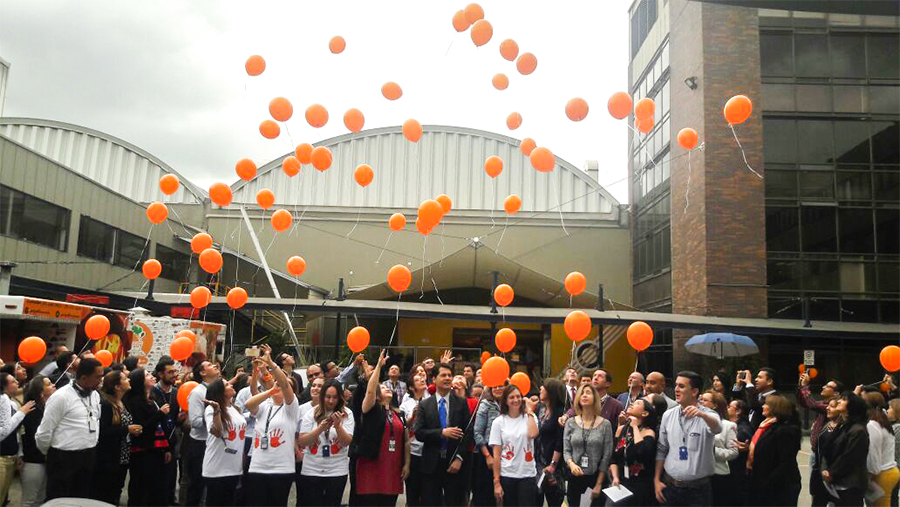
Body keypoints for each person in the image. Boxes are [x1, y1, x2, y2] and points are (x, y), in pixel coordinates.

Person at [36, 356, 102, 500]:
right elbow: (44, 431)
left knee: (80, 498)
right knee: (59, 499)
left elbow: (96, 420)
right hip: (64, 458)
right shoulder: (61, 396)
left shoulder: (95, 395)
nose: (101, 380)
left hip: (88, 455)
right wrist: (51, 453)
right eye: (97, 377)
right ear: (84, 377)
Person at [654, 371, 722, 506]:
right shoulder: (668, 415)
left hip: (697, 490)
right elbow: (662, 449)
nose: (676, 390)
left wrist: (702, 415)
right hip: (669, 486)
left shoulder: (708, 415)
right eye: (676, 385)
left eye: (681, 386)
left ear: (694, 391)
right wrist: (656, 480)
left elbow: (717, 427)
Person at [246, 346, 302, 506]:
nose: (279, 387)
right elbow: (249, 404)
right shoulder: (265, 405)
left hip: (281, 469)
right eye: (275, 384)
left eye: (283, 386)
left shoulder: (291, 408)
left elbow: (284, 385)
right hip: (258, 466)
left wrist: (271, 364)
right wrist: (269, 388)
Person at [356, 350, 411, 506]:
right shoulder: (371, 409)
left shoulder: (399, 414)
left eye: (388, 388)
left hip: (393, 466)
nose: (387, 388)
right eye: (383, 388)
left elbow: (406, 441)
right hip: (373, 464)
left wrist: (407, 464)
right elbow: (370, 390)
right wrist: (379, 366)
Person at [414, 362, 472, 506]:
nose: (447, 378)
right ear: (434, 379)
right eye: (443, 375)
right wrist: (442, 433)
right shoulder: (424, 404)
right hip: (431, 465)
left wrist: (459, 458)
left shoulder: (461, 403)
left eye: (449, 375)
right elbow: (419, 433)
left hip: (454, 463)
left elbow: (468, 433)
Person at [297, 379, 354, 506]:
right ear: (322, 396)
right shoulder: (311, 413)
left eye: (334, 397)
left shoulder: (347, 413)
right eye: (328, 397)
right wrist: (319, 429)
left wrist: (338, 426)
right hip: (312, 470)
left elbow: (346, 442)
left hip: (337, 470)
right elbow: (302, 441)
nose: (331, 401)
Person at [91, 371, 140, 505]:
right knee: (106, 491)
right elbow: (103, 430)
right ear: (117, 386)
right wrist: (127, 429)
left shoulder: (123, 401)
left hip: (123, 455)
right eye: (125, 378)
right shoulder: (106, 404)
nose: (128, 379)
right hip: (109, 456)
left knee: (117, 488)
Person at [124, 367, 171, 506]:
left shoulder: (152, 398)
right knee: (140, 488)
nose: (152, 376)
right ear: (140, 381)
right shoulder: (135, 401)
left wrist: (166, 448)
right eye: (147, 375)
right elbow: (141, 427)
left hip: (156, 448)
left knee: (154, 487)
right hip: (142, 450)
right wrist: (160, 414)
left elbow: (159, 428)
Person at [564, 384, 614, 507]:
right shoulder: (570, 422)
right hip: (575, 478)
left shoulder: (605, 424)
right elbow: (566, 450)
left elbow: (606, 455)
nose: (584, 395)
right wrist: (571, 464)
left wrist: (598, 484)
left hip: (596, 478)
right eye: (582, 393)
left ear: (595, 398)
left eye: (588, 392)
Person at [489, 383, 539, 506]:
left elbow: (533, 434)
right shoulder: (498, 422)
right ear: (505, 400)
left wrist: (529, 411)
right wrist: (497, 482)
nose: (516, 400)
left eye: (518, 396)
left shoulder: (530, 417)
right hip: (507, 475)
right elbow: (496, 455)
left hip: (527, 474)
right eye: (511, 397)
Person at [202, 378, 247, 507]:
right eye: (227, 384)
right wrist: (217, 410)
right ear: (220, 392)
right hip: (217, 467)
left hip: (234, 466)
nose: (231, 384)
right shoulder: (211, 409)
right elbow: (216, 431)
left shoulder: (234, 408)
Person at [822, 392, 870, 506]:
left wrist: (831, 472)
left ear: (852, 406)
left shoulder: (858, 430)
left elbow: (850, 456)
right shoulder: (844, 426)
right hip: (839, 481)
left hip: (850, 484)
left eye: (843, 400)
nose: (838, 401)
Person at [609, 397, 658, 506]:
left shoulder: (648, 432)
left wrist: (635, 426)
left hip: (640, 484)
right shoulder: (621, 429)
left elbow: (641, 454)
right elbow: (614, 458)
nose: (632, 404)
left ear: (645, 413)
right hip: (621, 481)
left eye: (637, 403)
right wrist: (615, 477)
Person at [184, 358, 220, 506]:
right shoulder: (198, 393)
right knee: (197, 485)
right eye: (210, 365)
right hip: (200, 444)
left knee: (213, 485)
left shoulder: (219, 390)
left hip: (215, 444)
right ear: (203, 373)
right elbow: (195, 422)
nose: (215, 366)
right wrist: (214, 415)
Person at [152, 356, 184, 506]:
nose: (174, 375)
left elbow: (176, 419)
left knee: (169, 481)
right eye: (170, 372)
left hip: (172, 441)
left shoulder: (178, 392)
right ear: (160, 374)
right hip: (154, 442)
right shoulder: (152, 392)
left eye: (175, 371)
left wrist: (181, 418)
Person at [20, 375, 54, 507]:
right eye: (49, 384)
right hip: (33, 460)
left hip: (46, 459)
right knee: (29, 500)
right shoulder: (32, 409)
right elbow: (33, 436)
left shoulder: (48, 407)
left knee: (41, 498)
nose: (53, 385)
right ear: (40, 391)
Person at [0, 371, 34, 503]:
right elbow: (3, 431)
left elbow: (17, 432)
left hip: (11, 457)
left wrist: (19, 453)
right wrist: (21, 413)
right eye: (13, 382)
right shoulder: (2, 399)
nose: (17, 383)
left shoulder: (11, 403)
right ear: (4, 386)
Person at [699, 391, 737, 506]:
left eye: (705, 400)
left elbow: (733, 452)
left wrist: (711, 450)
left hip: (718, 474)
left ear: (714, 405)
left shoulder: (728, 426)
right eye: (700, 400)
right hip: (698, 475)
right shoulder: (695, 422)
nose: (701, 402)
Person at [863, 391, 899, 507]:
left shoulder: (873, 424)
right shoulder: (883, 421)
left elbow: (873, 456)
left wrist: (868, 478)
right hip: (889, 470)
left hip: (882, 474)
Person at [473, 382, 504, 507]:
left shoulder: (510, 404)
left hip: (506, 453)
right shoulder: (485, 404)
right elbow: (477, 432)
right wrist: (487, 456)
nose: (497, 388)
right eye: (494, 386)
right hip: (488, 452)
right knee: (486, 495)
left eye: (500, 385)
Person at [400, 371, 428, 506]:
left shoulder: (431, 400)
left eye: (423, 378)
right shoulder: (406, 404)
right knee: (413, 492)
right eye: (418, 380)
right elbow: (402, 427)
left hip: (428, 452)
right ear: (411, 387)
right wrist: (413, 416)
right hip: (413, 452)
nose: (422, 380)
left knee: (428, 493)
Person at [536, 379, 566, 507]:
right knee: (536, 499)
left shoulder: (560, 413)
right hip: (538, 462)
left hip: (553, 464)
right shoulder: (540, 408)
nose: (541, 388)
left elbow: (560, 441)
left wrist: (553, 464)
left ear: (552, 392)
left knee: (554, 500)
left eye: (544, 387)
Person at [810, 398, 842, 506]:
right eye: (828, 405)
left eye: (832, 406)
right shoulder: (826, 425)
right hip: (820, 474)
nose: (827, 408)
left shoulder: (844, 428)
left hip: (834, 475)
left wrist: (830, 471)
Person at [726, 399, 753, 506]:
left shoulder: (742, 430)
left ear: (738, 411)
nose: (727, 408)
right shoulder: (733, 426)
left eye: (729, 407)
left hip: (737, 474)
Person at [886, 398, 900, 507]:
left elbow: (894, 451)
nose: (887, 410)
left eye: (890, 408)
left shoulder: (897, 428)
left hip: (893, 469)